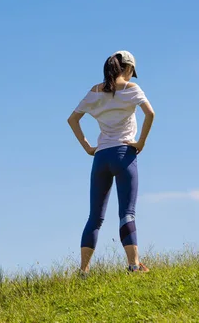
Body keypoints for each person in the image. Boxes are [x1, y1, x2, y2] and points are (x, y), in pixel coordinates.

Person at [67, 50, 155, 274]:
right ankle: (134, 265)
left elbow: (73, 119)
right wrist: (141, 142)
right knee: (127, 213)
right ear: (127, 69)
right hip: (124, 154)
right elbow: (150, 114)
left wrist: (87, 147)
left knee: (94, 217)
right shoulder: (130, 89)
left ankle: (83, 271)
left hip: (101, 158)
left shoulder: (94, 92)